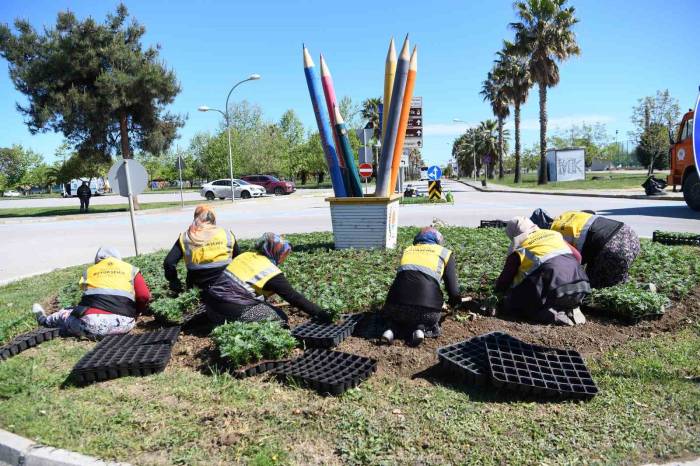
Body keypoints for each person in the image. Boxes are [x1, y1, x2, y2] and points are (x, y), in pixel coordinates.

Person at [203, 232, 330, 325]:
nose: (284, 257)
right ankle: (238, 325)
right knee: (280, 318)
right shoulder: (269, 271)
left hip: (210, 308)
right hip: (229, 313)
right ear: (274, 251)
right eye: (283, 253)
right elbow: (294, 297)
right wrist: (320, 313)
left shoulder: (245, 255)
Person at [32, 247, 151, 338]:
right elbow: (144, 296)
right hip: (124, 325)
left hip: (92, 326)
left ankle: (44, 320)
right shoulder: (131, 269)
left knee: (65, 313)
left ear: (97, 261)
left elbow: (88, 299)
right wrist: (137, 312)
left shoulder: (89, 271)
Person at [495, 217, 590, 326]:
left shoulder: (519, 248)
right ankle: (571, 307)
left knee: (512, 303)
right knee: (551, 286)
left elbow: (505, 279)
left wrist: (498, 294)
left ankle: (552, 314)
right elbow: (578, 256)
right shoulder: (553, 235)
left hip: (553, 290)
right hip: (580, 285)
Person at [381, 227, 462, 346]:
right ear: (438, 240)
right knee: (423, 317)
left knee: (398, 318)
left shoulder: (408, 250)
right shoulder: (444, 253)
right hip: (428, 312)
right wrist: (455, 304)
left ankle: (391, 329)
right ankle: (421, 329)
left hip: (394, 307)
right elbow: (453, 291)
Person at [536, 210, 641, 289]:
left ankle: (638, 288)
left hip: (613, 249)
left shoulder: (553, 235)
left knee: (593, 288)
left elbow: (575, 260)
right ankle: (638, 286)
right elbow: (590, 214)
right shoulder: (566, 215)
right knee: (615, 276)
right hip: (630, 235)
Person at [163, 205, 239, 292]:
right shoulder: (226, 234)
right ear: (214, 218)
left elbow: (169, 263)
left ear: (195, 217)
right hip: (226, 286)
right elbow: (239, 259)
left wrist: (174, 281)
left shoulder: (187, 237)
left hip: (197, 289)